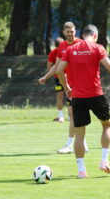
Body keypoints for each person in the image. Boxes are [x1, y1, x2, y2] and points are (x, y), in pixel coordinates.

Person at [57, 24, 110, 178]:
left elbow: (58, 70)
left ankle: (81, 170)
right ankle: (104, 161)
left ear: (82, 34)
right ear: (95, 35)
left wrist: (67, 88)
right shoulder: (98, 48)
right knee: (106, 125)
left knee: (79, 134)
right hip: (96, 95)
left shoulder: (71, 49)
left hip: (77, 97)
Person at [39, 21, 88, 154]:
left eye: (72, 31)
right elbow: (57, 65)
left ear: (75, 31)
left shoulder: (81, 44)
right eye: (68, 32)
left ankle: (71, 144)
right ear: (63, 32)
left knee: (73, 113)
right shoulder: (62, 46)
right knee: (74, 113)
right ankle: (81, 142)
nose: (70, 34)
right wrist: (46, 76)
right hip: (69, 84)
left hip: (81, 84)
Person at [47, 37, 65, 122]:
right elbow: (49, 65)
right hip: (63, 78)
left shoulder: (54, 52)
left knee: (64, 96)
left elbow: (49, 65)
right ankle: (65, 116)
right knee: (64, 95)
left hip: (64, 78)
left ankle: (65, 116)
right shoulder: (54, 53)